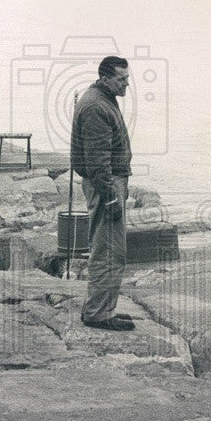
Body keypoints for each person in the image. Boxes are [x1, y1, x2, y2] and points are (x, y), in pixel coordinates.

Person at [70, 56, 134, 332]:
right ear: (105, 78)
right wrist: (110, 197)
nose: (126, 84)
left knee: (111, 250)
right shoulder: (97, 106)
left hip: (107, 184)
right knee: (107, 251)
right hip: (104, 186)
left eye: (127, 78)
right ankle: (97, 313)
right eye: (121, 79)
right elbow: (97, 161)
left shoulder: (101, 98)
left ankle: (104, 308)